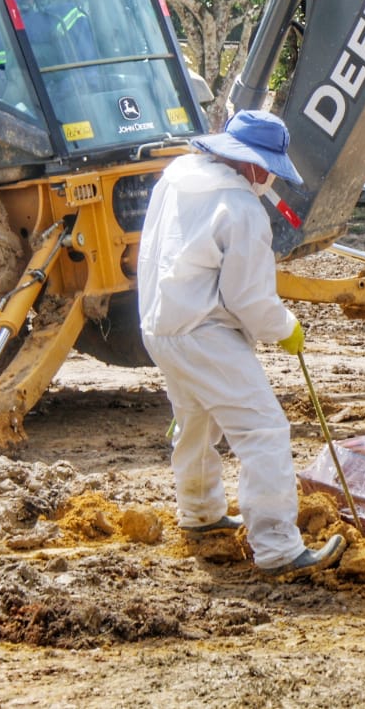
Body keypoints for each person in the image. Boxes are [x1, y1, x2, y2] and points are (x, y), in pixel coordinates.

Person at [138, 110, 345, 580]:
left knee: (196, 420)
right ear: (253, 165)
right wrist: (285, 326)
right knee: (264, 430)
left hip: (159, 324)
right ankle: (276, 549)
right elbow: (248, 299)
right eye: (268, 167)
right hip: (204, 331)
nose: (270, 177)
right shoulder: (244, 210)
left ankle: (200, 512)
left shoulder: (176, 176)